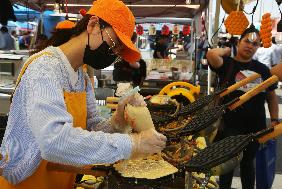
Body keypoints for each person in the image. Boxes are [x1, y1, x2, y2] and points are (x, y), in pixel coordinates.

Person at [0, 0, 166, 188]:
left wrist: (116, 123)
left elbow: (89, 131)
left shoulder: (82, 77)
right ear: (93, 25)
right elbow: (54, 141)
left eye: (118, 51)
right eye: (113, 44)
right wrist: (132, 144)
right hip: (27, 182)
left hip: (61, 180)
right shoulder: (44, 69)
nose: (112, 53)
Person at [206, 26, 279, 189]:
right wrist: (226, 49)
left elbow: (272, 97)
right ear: (239, 42)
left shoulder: (262, 70)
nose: (250, 46)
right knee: (226, 166)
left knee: (248, 165)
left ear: (258, 47)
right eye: (247, 41)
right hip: (228, 126)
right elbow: (211, 54)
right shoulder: (227, 64)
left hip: (255, 127)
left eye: (255, 43)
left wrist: (274, 120)